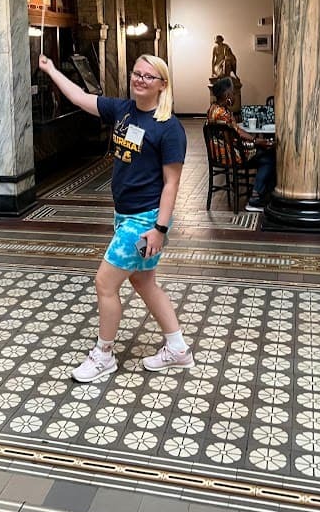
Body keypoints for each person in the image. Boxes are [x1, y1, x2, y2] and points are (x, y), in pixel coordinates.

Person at [38, 52, 193, 382]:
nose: (139, 79)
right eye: (136, 73)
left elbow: (171, 183)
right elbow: (81, 98)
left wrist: (159, 229)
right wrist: (51, 69)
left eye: (147, 76)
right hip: (125, 216)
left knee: (104, 283)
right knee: (143, 280)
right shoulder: (123, 111)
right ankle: (177, 348)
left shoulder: (169, 129)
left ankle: (103, 355)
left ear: (162, 85)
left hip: (145, 221)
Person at [207, 77, 275, 213]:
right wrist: (256, 141)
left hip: (221, 154)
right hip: (232, 155)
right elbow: (238, 134)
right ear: (226, 95)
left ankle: (265, 192)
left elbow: (236, 131)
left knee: (265, 151)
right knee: (269, 157)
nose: (234, 96)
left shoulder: (213, 109)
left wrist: (255, 141)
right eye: (232, 93)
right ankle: (255, 199)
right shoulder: (223, 114)